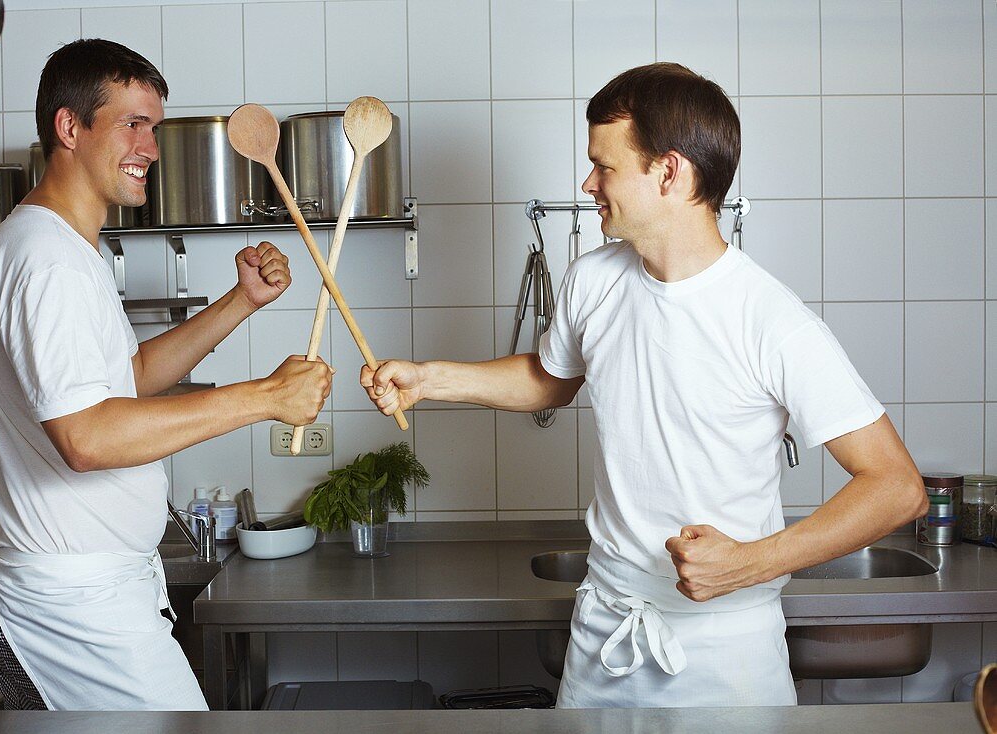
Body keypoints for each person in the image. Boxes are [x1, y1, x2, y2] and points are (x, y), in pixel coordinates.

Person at [360, 62, 927, 709]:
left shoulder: (772, 320)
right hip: (606, 629)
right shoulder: (592, 280)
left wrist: (756, 559)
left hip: (727, 649)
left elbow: (897, 487)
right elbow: (549, 380)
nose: (587, 183)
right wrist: (428, 379)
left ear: (670, 172)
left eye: (605, 167)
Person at [0, 39, 332, 710]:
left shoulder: (69, 251)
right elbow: (88, 436)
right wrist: (265, 398)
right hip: (72, 604)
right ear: (69, 127)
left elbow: (123, 378)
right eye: (133, 123)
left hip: (90, 591)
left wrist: (240, 302)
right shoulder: (46, 260)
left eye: (154, 128)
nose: (151, 148)